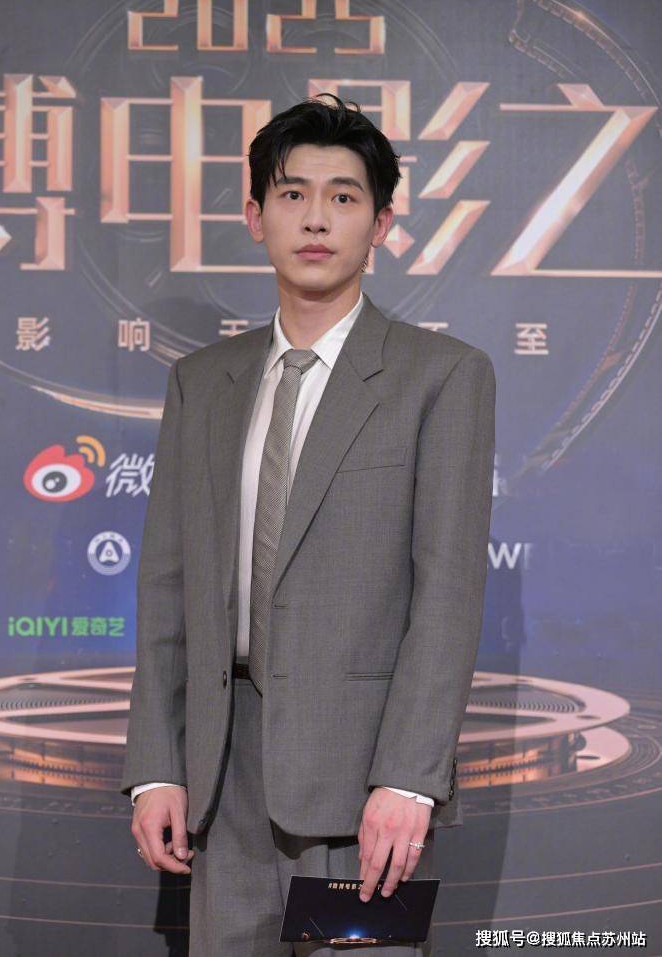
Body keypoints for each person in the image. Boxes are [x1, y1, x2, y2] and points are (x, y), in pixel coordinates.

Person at [120, 92, 496, 956]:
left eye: (343, 196)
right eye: (292, 194)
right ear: (256, 217)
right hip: (220, 781)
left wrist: (408, 778)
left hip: (365, 787)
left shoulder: (441, 376)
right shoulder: (201, 382)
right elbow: (167, 587)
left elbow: (446, 594)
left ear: (381, 222)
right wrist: (155, 765)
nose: (316, 218)